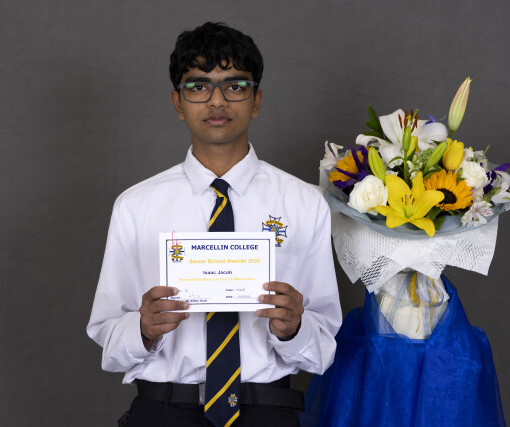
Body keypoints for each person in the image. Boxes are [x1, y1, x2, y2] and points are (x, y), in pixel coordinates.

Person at [87, 22, 342, 427]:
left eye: (235, 86)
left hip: (266, 412)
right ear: (178, 102)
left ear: (256, 100)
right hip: (163, 412)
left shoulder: (304, 203)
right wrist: (143, 329)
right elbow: (109, 341)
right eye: (199, 86)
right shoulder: (135, 206)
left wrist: (294, 329)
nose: (217, 100)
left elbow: (323, 349)